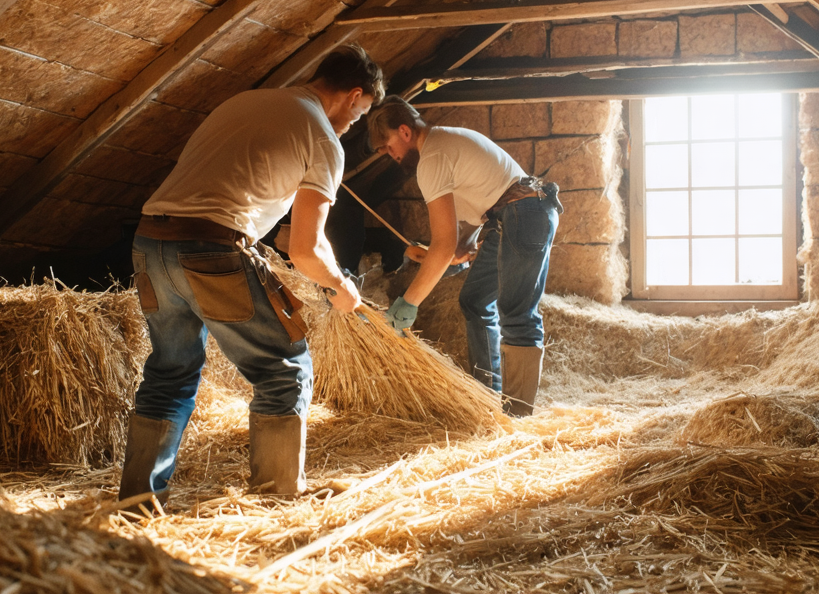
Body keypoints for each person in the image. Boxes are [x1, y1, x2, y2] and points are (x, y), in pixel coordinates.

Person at [119, 47, 385, 506]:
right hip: (210, 248)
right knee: (286, 370)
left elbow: (281, 235)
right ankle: (277, 499)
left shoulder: (246, 102)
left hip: (150, 243)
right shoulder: (323, 138)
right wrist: (341, 288)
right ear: (353, 95)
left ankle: (136, 501)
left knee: (170, 373)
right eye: (359, 115)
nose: (353, 124)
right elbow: (305, 249)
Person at [368, 96, 561, 417]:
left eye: (389, 147)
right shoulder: (445, 140)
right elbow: (481, 204)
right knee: (474, 300)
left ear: (404, 131)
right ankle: (487, 393)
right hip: (514, 215)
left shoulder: (431, 158)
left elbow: (443, 245)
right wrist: (465, 244)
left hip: (524, 213)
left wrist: (409, 302)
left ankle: (518, 417)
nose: (392, 156)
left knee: (517, 314)